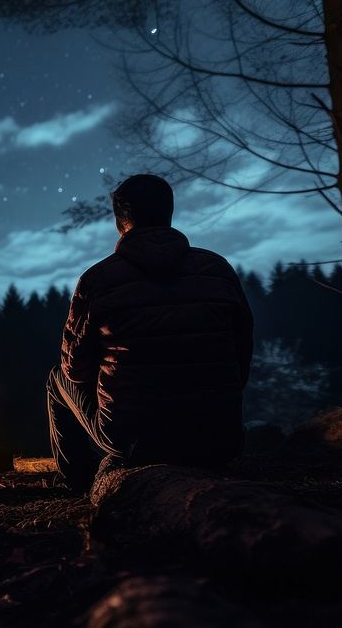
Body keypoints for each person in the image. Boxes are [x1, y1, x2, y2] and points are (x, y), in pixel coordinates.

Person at [47, 174, 253, 491]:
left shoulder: (98, 281)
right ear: (169, 212)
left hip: (136, 442)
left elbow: (73, 370)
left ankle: (76, 481)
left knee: (56, 379)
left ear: (121, 218)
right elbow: (242, 356)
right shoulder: (217, 269)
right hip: (218, 438)